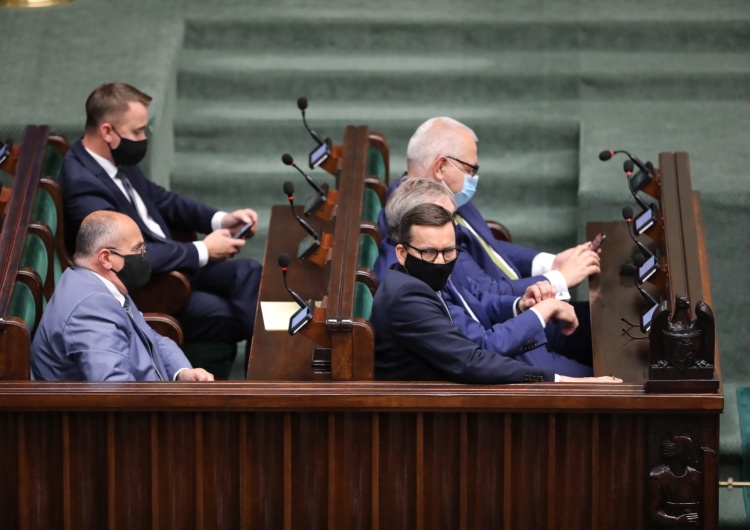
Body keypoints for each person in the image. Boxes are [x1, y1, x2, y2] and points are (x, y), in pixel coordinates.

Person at [59, 82, 262, 378]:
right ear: (107, 132)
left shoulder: (114, 157)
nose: (143, 139)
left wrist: (219, 219)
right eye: (137, 132)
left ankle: (266, 363)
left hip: (174, 259)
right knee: (228, 314)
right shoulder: (83, 186)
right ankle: (266, 375)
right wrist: (203, 250)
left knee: (250, 272)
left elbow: (161, 199)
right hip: (151, 284)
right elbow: (124, 258)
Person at [372, 202, 621, 385]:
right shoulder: (407, 298)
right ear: (402, 253)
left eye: (448, 251)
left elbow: (479, 301)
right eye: (428, 252)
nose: (440, 261)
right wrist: (563, 382)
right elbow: (472, 361)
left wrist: (522, 305)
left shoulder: (420, 276)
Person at [375, 117, 600, 300]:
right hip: (511, 318)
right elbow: (484, 291)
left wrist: (550, 262)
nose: (474, 177)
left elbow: (488, 246)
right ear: (442, 166)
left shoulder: (446, 195)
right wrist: (560, 278)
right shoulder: (421, 221)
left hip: (521, 303)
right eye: (470, 169)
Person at [31, 211, 214, 382]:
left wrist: (181, 371)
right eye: (138, 249)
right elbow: (116, 390)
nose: (145, 256)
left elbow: (148, 336)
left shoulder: (98, 284)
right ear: (106, 258)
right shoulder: (91, 307)